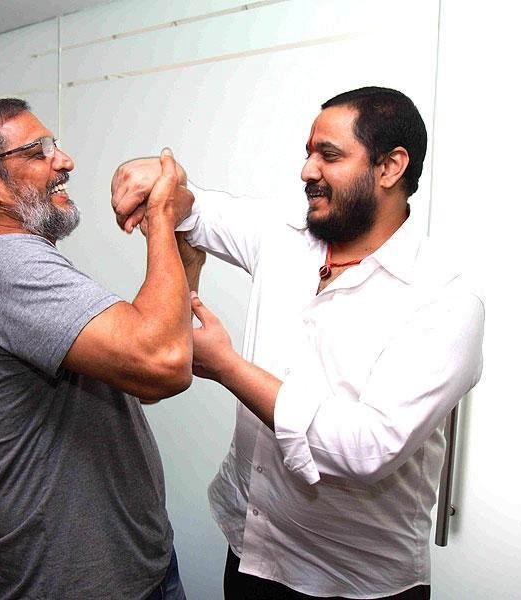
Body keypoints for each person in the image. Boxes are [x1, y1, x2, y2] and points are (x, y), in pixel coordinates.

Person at [111, 86, 485, 600]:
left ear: (390, 167)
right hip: (248, 548)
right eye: (308, 153)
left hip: (353, 584)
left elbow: (365, 447)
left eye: (329, 155)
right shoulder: (283, 237)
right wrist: (157, 176)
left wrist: (227, 367)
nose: (308, 170)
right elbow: (196, 210)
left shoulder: (444, 302)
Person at [0, 98, 193, 600]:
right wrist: (160, 217)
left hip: (137, 567)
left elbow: (147, 376)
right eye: (39, 151)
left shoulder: (28, 263)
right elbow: (165, 363)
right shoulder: (5, 266)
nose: (65, 161)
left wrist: (181, 251)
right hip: (75, 583)